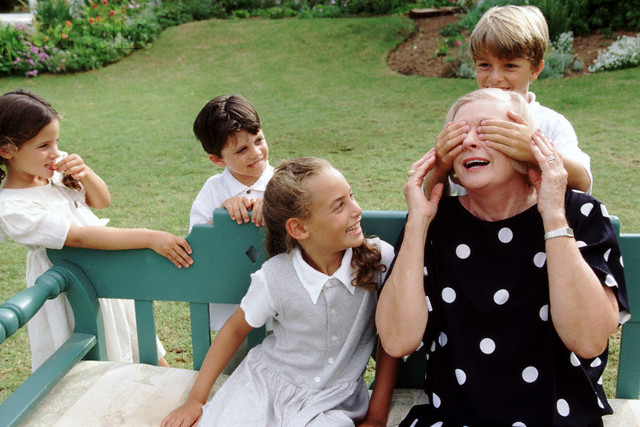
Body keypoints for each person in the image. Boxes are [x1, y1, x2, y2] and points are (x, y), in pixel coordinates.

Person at [376, 88, 629, 426]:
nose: (469, 142)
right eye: (459, 133)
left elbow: (588, 340)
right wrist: (418, 223)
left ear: (526, 143)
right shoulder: (435, 222)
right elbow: (397, 339)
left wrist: (552, 215)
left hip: (557, 418)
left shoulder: (577, 213)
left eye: (487, 130)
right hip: (456, 418)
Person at [162, 157, 397, 427]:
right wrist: (195, 400)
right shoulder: (275, 276)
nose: (357, 210)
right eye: (339, 206)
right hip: (264, 387)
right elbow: (235, 329)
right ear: (298, 228)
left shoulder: (379, 260)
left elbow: (391, 340)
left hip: (334, 403)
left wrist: (377, 415)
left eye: (351, 196)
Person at [0, 89, 193, 371]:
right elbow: (79, 236)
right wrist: (150, 238)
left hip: (105, 276)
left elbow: (102, 201)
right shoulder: (13, 207)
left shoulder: (53, 173)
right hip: (69, 290)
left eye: (56, 142)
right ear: (7, 150)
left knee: (138, 343)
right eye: (43, 146)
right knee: (94, 365)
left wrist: (86, 173)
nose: (55, 153)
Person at [423, 5, 593, 199]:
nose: (495, 77)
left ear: (536, 69)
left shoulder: (550, 123)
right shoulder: (464, 120)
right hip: (475, 226)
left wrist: (534, 152)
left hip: (537, 226)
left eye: (510, 66)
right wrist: (441, 168)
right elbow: (428, 197)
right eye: (485, 65)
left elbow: (583, 182)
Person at [190, 94, 275, 338]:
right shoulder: (213, 190)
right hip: (232, 311)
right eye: (242, 150)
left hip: (283, 312)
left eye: (259, 140)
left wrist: (276, 209)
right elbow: (195, 247)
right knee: (233, 373)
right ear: (217, 159)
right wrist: (221, 219)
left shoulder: (284, 182)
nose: (256, 153)